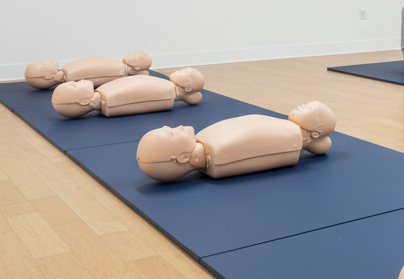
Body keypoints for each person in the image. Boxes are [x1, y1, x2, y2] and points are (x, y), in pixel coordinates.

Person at [136, 101, 336, 182]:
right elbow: (260, 138)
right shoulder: (220, 152)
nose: (172, 127)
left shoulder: (207, 140)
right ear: (182, 157)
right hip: (289, 135)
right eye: (171, 133)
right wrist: (301, 139)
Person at [52, 68, 204, 118]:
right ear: (84, 101)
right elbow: (139, 92)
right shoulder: (108, 98)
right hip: (164, 90)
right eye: (76, 85)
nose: (80, 81)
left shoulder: (105, 92)